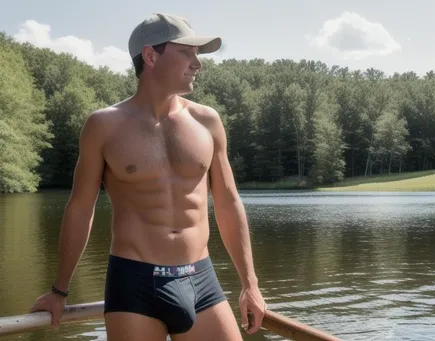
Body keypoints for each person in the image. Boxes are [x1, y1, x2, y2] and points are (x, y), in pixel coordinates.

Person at [30, 12, 267, 341]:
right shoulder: (103, 126)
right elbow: (81, 208)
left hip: (200, 279)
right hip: (135, 283)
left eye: (197, 55)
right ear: (150, 55)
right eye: (186, 52)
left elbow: (228, 202)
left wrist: (250, 285)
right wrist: (59, 290)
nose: (197, 63)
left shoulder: (207, 122)